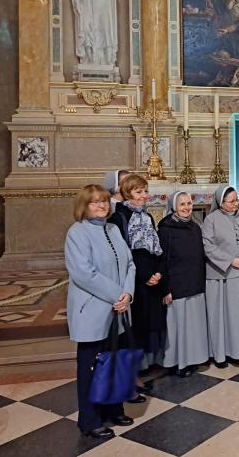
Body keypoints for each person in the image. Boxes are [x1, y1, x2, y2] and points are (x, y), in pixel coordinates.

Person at [64, 184, 135, 439]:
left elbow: (130, 264)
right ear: (84, 206)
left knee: (115, 362)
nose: (102, 205)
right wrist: (118, 295)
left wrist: (128, 294)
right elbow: (84, 274)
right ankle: (90, 419)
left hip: (118, 309)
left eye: (104, 201)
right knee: (91, 367)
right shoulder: (77, 233)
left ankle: (114, 409)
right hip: (93, 310)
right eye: (95, 202)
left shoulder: (113, 229)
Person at [108, 174, 165, 384]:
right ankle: (136, 368)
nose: (144, 195)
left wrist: (158, 272)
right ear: (127, 193)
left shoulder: (147, 217)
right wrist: (144, 275)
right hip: (135, 280)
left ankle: (150, 362)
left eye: (145, 191)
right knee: (137, 324)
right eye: (138, 191)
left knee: (152, 321)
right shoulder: (118, 218)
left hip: (152, 277)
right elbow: (125, 253)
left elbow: (156, 248)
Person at [202, 185, 239, 368]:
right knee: (219, 317)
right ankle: (220, 355)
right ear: (221, 202)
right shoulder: (211, 220)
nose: (236, 204)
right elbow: (207, 246)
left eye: (237, 200)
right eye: (231, 201)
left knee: (237, 316)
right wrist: (231, 260)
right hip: (219, 275)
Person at [158, 191, 210, 377]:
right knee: (178, 328)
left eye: (189, 203)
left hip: (194, 283)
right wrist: (166, 289)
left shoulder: (195, 228)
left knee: (193, 327)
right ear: (174, 207)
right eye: (182, 204)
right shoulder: (166, 230)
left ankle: (192, 359)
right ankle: (178, 363)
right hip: (176, 286)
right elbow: (162, 261)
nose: (187, 208)